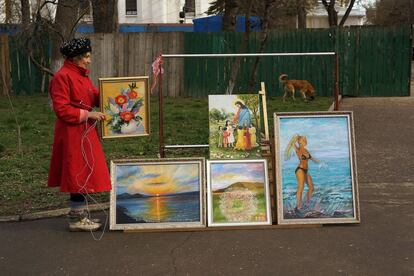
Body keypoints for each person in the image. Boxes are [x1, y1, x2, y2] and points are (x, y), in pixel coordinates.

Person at [48, 37, 111, 232]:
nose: (89, 60)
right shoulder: (62, 77)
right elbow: (62, 109)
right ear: (75, 58)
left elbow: (92, 95)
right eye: (86, 56)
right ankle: (76, 218)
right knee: (77, 173)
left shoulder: (81, 75)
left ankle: (79, 216)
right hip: (72, 132)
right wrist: (89, 114)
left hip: (84, 131)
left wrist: (113, 92)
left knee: (83, 172)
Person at [286, 135, 319, 211]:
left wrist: (320, 163)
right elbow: (292, 143)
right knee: (301, 187)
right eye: (302, 141)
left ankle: (307, 202)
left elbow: (312, 159)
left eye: (304, 141)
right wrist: (296, 138)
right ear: (300, 142)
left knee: (311, 187)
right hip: (300, 169)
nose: (304, 142)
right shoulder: (298, 149)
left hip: (305, 170)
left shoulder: (306, 151)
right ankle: (299, 206)